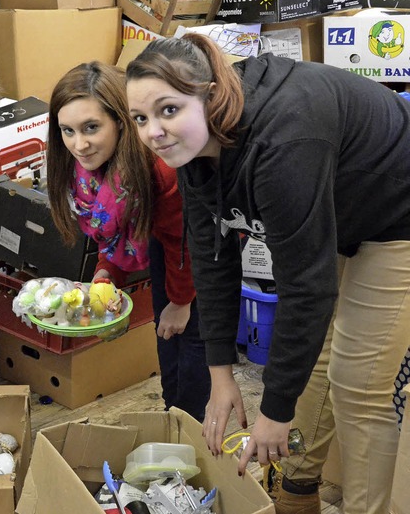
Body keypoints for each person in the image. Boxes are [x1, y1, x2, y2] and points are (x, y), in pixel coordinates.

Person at [125, 33, 410, 514]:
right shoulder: (197, 147)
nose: (153, 131)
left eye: (168, 110)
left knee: (358, 383)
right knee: (316, 357)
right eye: (140, 118)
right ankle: (298, 491)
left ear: (211, 94)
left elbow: (307, 290)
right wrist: (221, 374)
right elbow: (212, 257)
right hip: (343, 208)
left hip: (398, 210)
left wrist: (274, 412)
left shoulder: (283, 139)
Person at [46, 61, 211, 422]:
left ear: (120, 121)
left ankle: (192, 426)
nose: (80, 144)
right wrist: (107, 273)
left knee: (192, 332)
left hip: (204, 238)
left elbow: (184, 242)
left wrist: (181, 302)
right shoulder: (86, 170)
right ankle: (173, 416)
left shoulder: (161, 165)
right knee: (166, 336)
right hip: (166, 237)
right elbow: (115, 232)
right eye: (67, 131)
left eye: (91, 128)